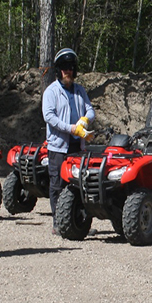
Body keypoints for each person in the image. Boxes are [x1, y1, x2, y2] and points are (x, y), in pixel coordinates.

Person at [42, 48, 95, 234]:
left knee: (79, 184)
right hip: (58, 147)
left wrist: (84, 120)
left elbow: (90, 110)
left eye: (71, 67)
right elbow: (49, 117)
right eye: (64, 68)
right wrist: (70, 128)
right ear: (58, 70)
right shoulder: (51, 92)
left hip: (77, 146)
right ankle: (58, 222)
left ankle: (79, 222)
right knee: (57, 184)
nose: (68, 71)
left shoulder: (80, 90)